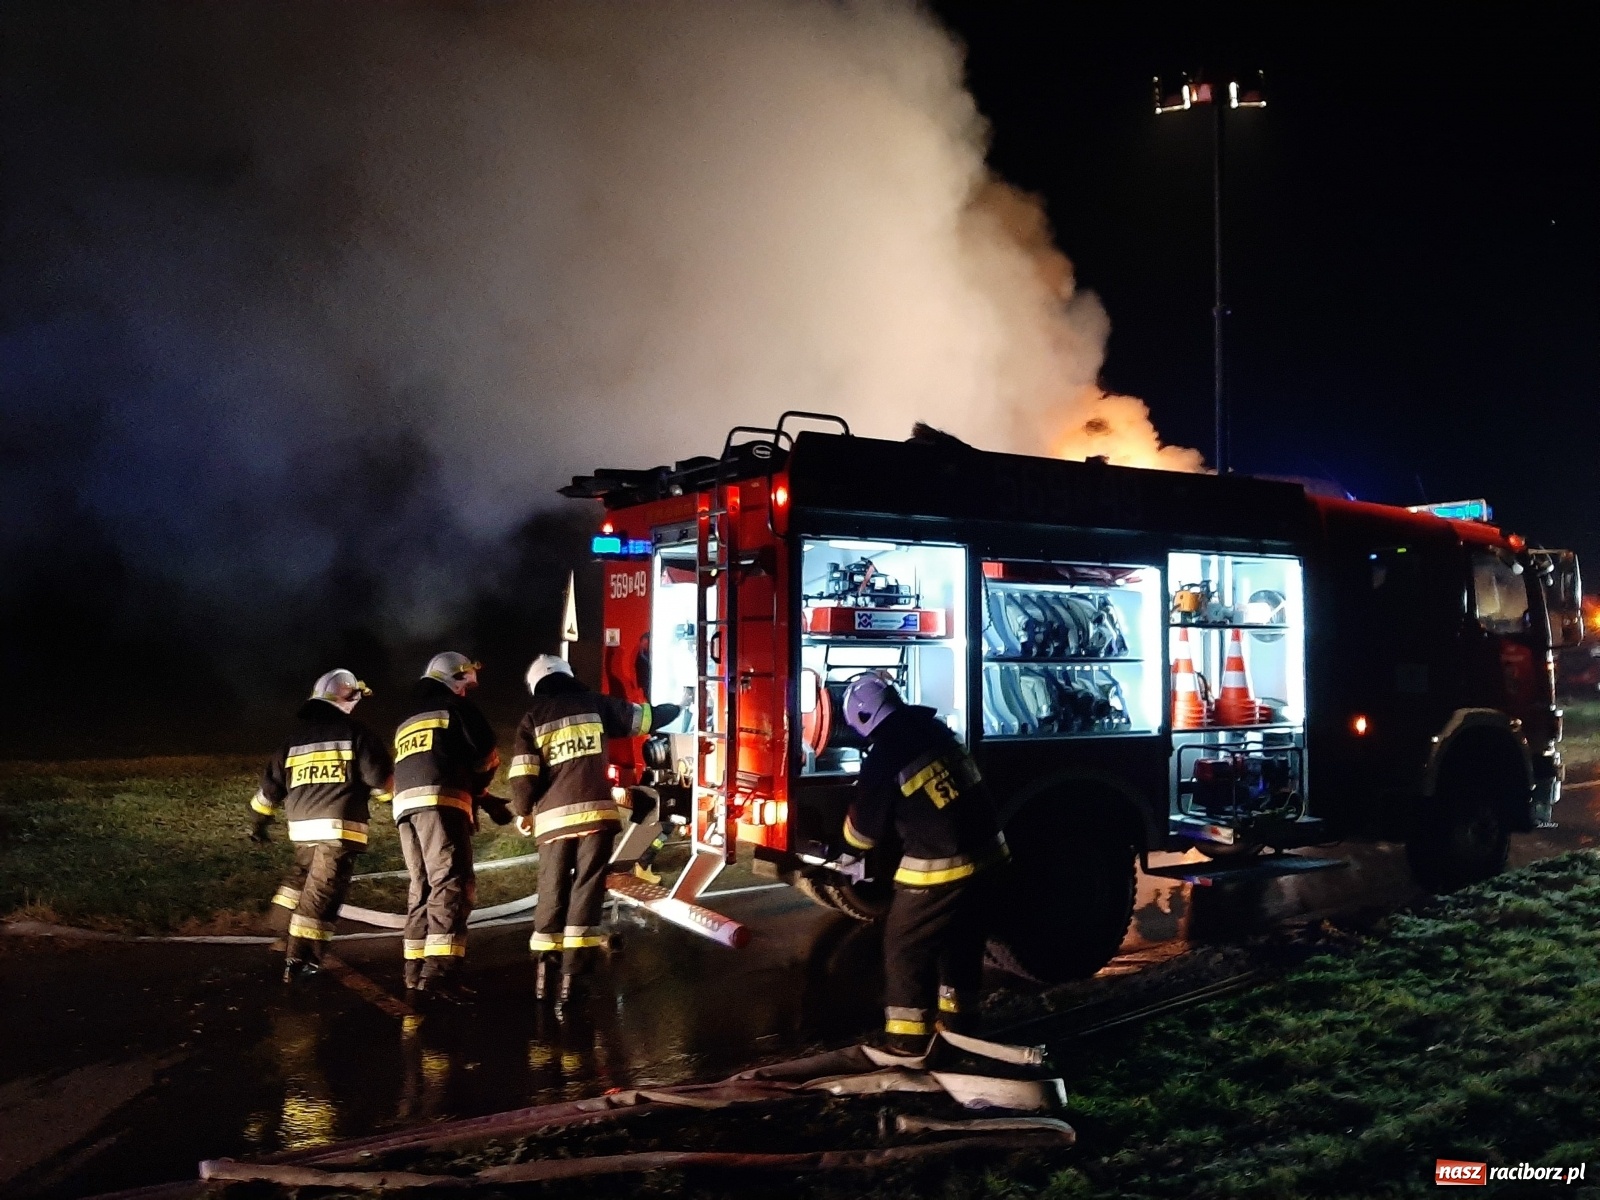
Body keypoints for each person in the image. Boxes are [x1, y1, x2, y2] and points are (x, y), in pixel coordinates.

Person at [836, 673, 1008, 1054]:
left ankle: (907, 1046)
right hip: (990, 857)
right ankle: (962, 1030)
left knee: (906, 950)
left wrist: (844, 841)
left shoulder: (885, 756)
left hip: (941, 869)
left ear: (863, 719)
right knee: (960, 943)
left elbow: (861, 836)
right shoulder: (934, 729)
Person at [509, 654, 681, 1003]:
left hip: (554, 823)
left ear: (537, 684)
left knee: (552, 889)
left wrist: (523, 812)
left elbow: (523, 775)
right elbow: (644, 719)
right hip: (595, 819)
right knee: (586, 891)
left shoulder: (533, 717)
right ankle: (574, 982)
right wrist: (681, 704)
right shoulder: (594, 704)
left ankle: (545, 977)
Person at [250, 669, 393, 982]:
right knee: (322, 894)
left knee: (301, 880)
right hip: (339, 830)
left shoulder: (292, 742)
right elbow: (380, 781)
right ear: (349, 698)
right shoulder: (358, 734)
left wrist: (259, 823)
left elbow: (268, 791)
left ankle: (280, 930)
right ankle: (300, 960)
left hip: (302, 830)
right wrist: (394, 802)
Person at [391, 652, 511, 998]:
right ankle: (439, 975)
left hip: (405, 809)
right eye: (465, 684)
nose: (466, 692)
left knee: (423, 885)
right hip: (441, 804)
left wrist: (483, 802)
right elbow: (485, 755)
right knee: (451, 882)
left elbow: (433, 760)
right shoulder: (456, 708)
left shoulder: (407, 718)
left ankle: (414, 971)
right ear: (455, 680)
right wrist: (482, 792)